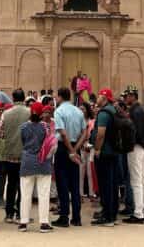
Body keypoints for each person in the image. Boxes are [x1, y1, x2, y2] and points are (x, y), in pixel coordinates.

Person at [18, 101, 55, 233]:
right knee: (44, 194)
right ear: (41, 114)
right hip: (43, 162)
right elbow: (51, 143)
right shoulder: (46, 127)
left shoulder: (23, 127)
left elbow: (23, 142)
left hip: (27, 162)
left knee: (25, 194)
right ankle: (44, 223)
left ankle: (23, 222)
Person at [52, 87, 85, 227]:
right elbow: (85, 133)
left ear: (60, 96)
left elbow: (63, 133)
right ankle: (77, 217)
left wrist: (71, 151)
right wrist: (76, 149)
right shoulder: (78, 111)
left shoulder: (59, 111)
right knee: (75, 183)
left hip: (63, 148)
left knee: (62, 183)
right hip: (75, 145)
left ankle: (64, 216)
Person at [0, 88, 29, 224]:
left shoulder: (6, 113)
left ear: (13, 98)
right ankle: (21, 213)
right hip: (26, 154)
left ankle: (9, 213)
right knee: (24, 186)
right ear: (23, 98)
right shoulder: (30, 112)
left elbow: (0, 134)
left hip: (10, 154)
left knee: (11, 184)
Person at [91, 88, 119, 226]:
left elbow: (101, 134)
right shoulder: (113, 110)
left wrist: (97, 149)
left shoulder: (103, 113)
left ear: (105, 98)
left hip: (105, 153)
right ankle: (111, 212)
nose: (97, 99)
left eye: (99, 97)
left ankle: (108, 217)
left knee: (105, 184)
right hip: (113, 151)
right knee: (112, 184)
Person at [123, 87, 144, 223]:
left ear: (132, 96)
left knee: (136, 181)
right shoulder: (139, 110)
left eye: (126, 96)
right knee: (142, 180)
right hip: (142, 147)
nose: (125, 99)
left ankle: (138, 213)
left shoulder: (136, 111)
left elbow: (138, 132)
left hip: (136, 147)